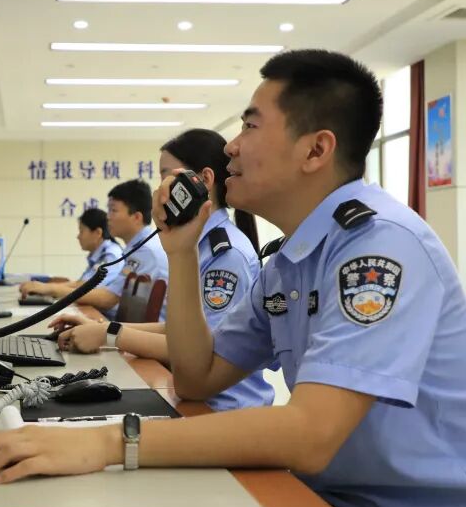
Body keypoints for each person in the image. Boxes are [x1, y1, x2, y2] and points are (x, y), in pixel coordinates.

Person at [0, 49, 466, 507]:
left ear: (315, 150)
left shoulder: (381, 248)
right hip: (335, 505)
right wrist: (181, 253)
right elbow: (198, 377)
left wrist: (110, 443)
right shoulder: (287, 262)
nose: (231, 147)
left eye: (251, 126)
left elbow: (310, 435)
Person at [50, 128, 274, 412]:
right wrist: (100, 328)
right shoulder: (194, 244)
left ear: (203, 181)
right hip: (195, 397)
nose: (160, 189)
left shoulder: (226, 254)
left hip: (223, 409)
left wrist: (110, 334)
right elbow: (180, 330)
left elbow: (201, 351)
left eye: (168, 176)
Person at [62, 179, 169, 319]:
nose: (108, 217)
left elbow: (108, 299)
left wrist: (50, 290)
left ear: (136, 217)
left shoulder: (147, 251)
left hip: (149, 330)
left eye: (113, 210)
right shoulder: (139, 247)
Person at [19, 208, 123, 300]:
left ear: (98, 233)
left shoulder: (111, 255)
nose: (78, 236)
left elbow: (87, 289)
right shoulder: (99, 254)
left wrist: (50, 289)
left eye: (81, 231)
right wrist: (45, 288)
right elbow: (80, 284)